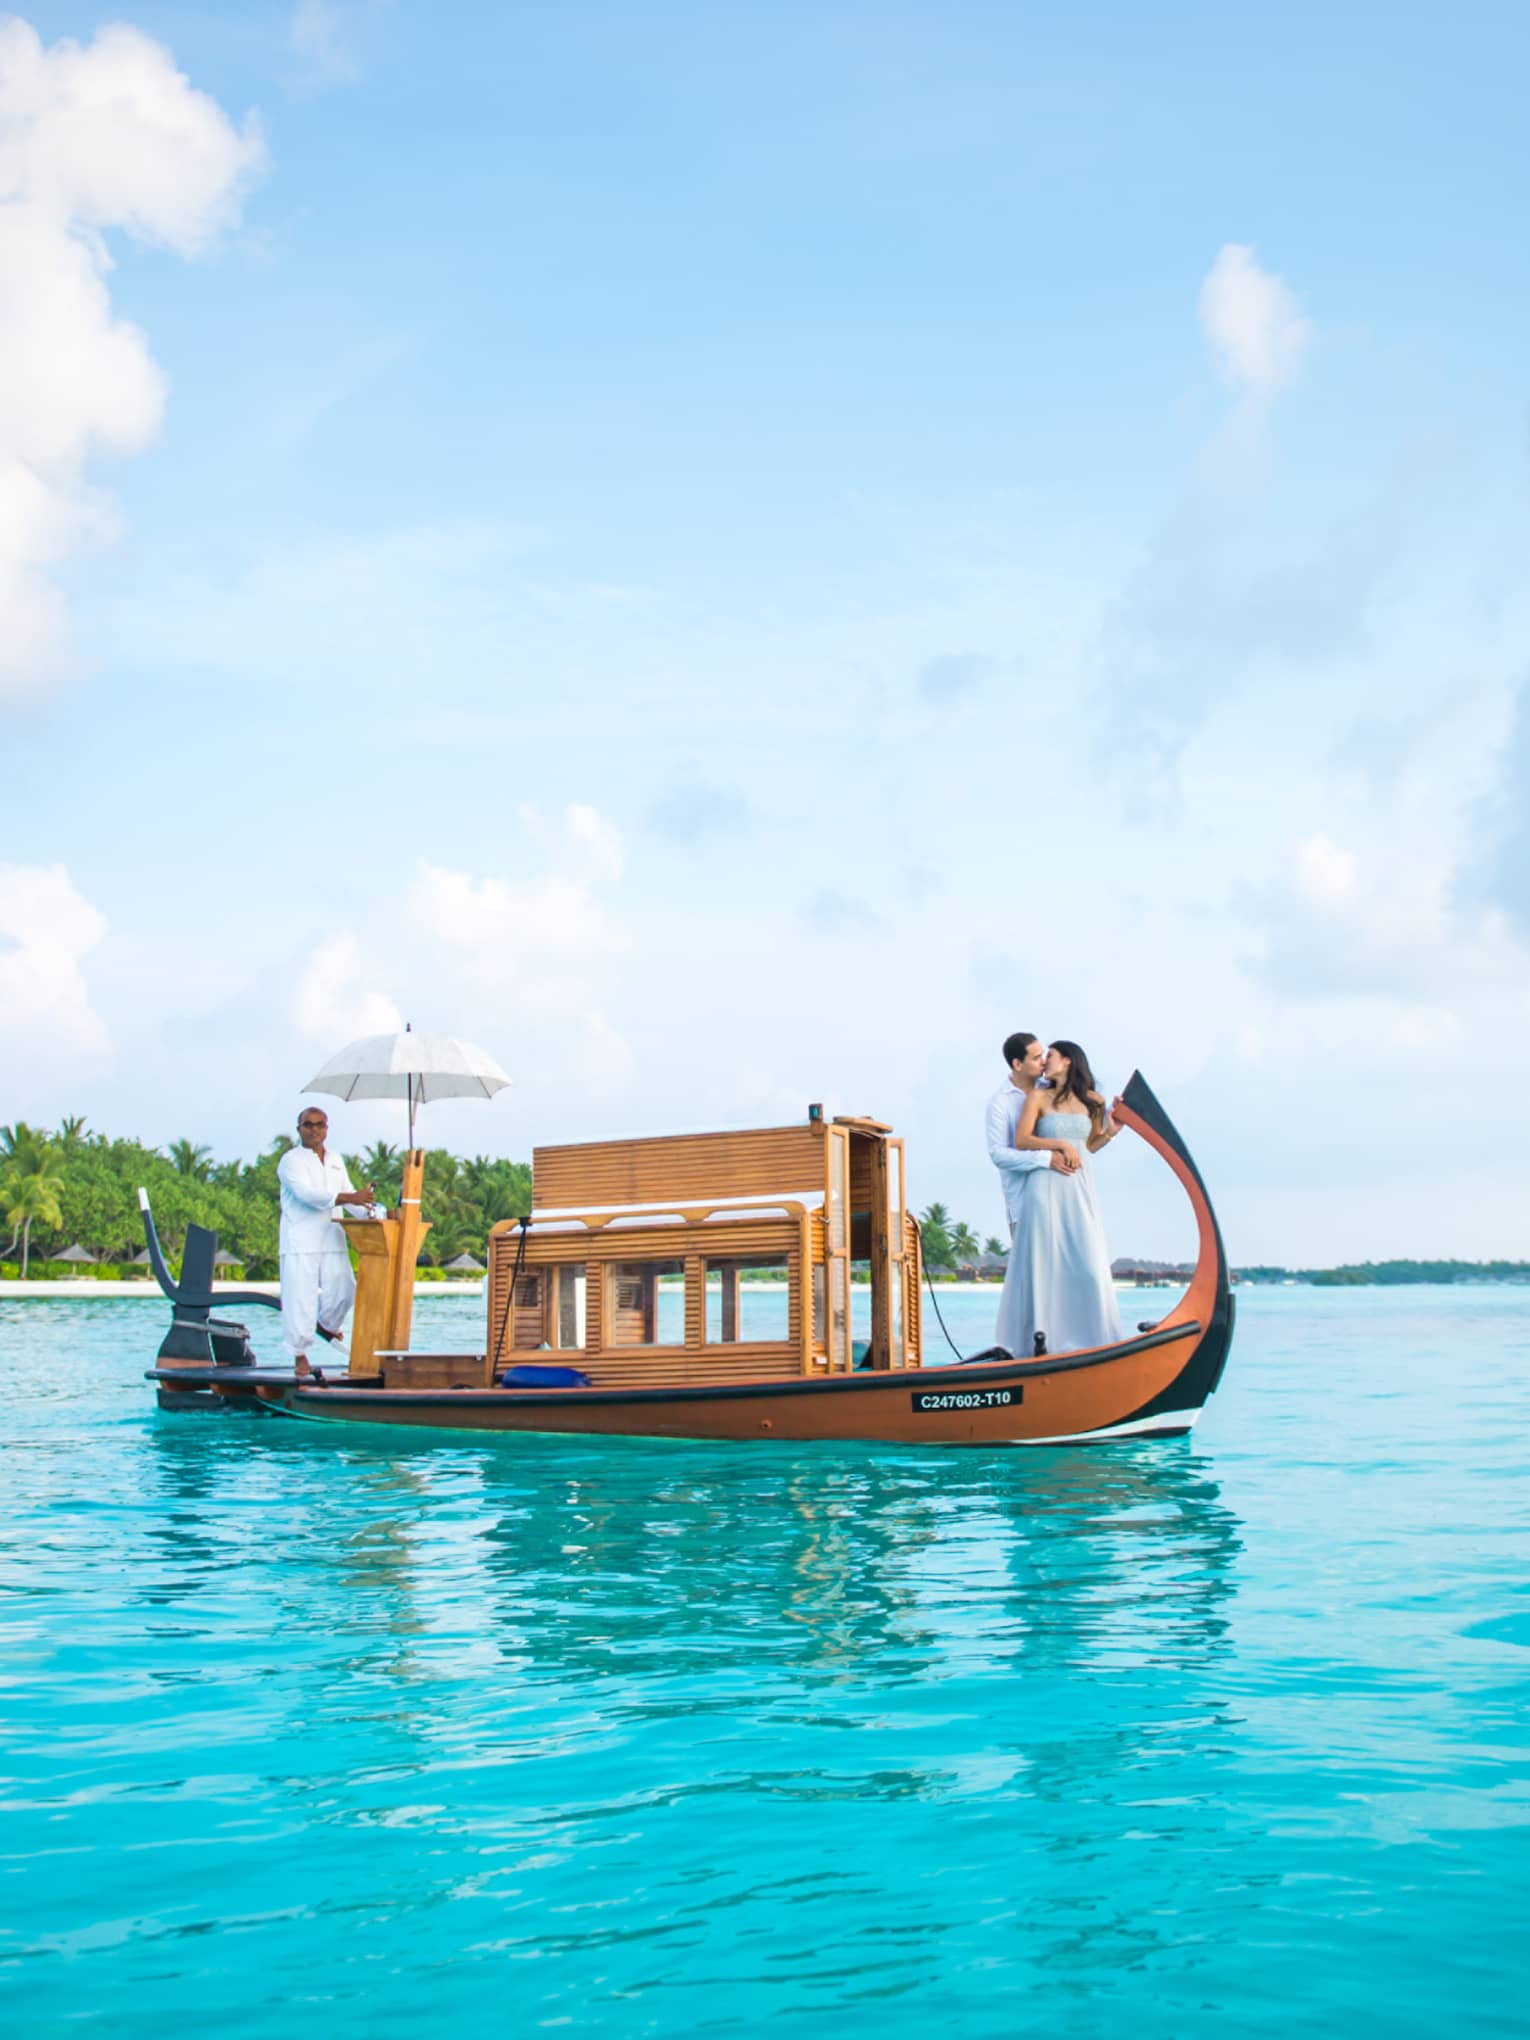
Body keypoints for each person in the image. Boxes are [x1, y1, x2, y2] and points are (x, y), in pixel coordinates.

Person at [995, 1039, 1123, 1359]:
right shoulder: (1038, 1096)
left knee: (1089, 1264)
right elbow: (1022, 1140)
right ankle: (1040, 1343)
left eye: (1048, 1056)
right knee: (1044, 1264)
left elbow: (1089, 1145)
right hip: (1045, 1187)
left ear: (1067, 1061)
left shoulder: (1094, 1101)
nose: (1044, 1062)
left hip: (1078, 1187)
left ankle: (1092, 1341)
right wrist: (1060, 1146)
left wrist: (1112, 1131)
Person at [277, 1107, 374, 1374]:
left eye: (320, 1125)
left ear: (327, 1128)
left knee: (344, 1288)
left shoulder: (335, 1159)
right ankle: (299, 1355)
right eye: (308, 1125)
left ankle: (327, 1325)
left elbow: (349, 1194)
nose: (314, 1130)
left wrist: (372, 1212)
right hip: (301, 1239)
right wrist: (350, 1198)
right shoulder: (291, 1161)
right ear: (299, 1129)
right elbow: (308, 1195)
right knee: (300, 1296)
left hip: (332, 1236)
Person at [985, 1030, 1081, 1241]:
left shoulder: (1051, 1088)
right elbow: (998, 1154)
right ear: (1018, 1064)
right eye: (1036, 1058)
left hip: (1061, 1199)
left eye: (1044, 1055)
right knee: (1029, 1272)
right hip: (1024, 1204)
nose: (1044, 1062)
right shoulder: (1000, 1103)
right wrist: (1046, 1159)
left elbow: (1081, 1116)